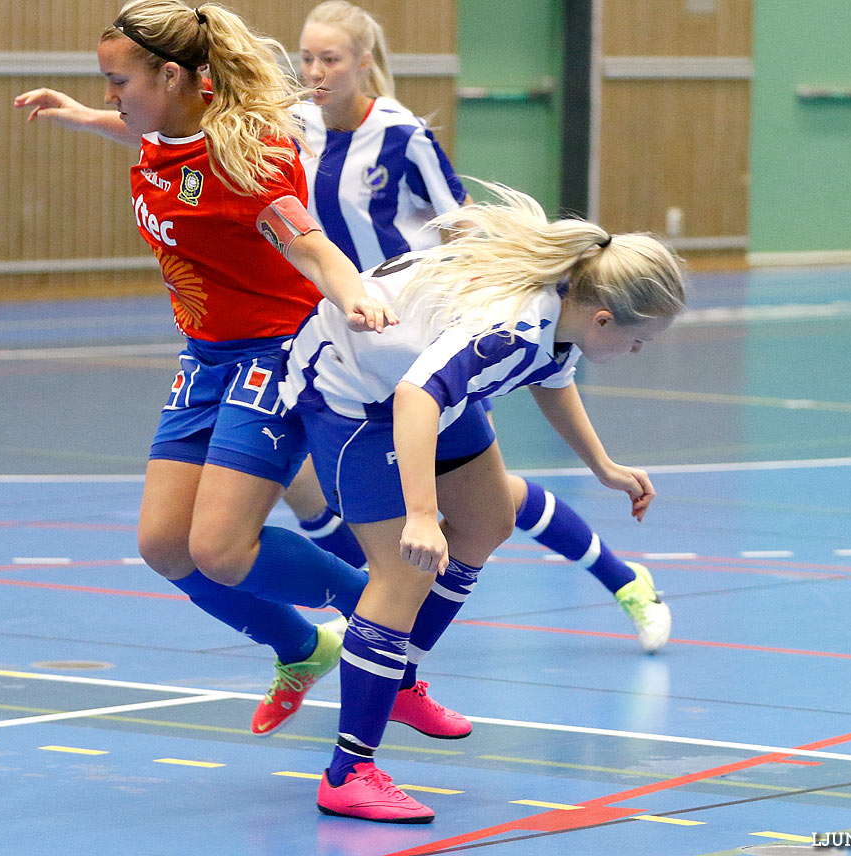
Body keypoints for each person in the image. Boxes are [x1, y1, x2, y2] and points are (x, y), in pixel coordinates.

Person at [13, 0, 394, 737]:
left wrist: (357, 295)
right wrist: (78, 116)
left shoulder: (245, 155)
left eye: (119, 84)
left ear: (175, 78)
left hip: (278, 353)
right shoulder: (160, 129)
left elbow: (309, 242)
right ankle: (302, 647)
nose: (109, 96)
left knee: (218, 548)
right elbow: (148, 144)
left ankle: (378, 605)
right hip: (208, 355)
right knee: (163, 545)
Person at [276, 185, 687, 823]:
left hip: (421, 385)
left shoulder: (566, 311)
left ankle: (401, 677)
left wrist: (602, 467)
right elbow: (416, 398)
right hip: (354, 391)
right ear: (605, 319)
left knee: (489, 520)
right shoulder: (512, 329)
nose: (637, 355)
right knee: (403, 571)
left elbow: (553, 377)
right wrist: (418, 514)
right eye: (639, 343)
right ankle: (349, 770)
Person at [283, 0, 671, 660]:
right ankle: (380, 623)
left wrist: (482, 297)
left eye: (331, 58)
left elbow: (460, 221)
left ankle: (616, 579)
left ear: (364, 63)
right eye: (308, 57)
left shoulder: (401, 136)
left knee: (486, 502)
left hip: (426, 332)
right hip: (340, 331)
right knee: (312, 493)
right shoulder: (293, 126)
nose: (316, 70)